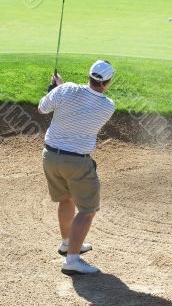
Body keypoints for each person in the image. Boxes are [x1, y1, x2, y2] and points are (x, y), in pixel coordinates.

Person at [38, 60, 115, 275]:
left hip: (50, 156)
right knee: (87, 210)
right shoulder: (108, 106)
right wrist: (61, 90)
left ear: (89, 74)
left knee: (66, 199)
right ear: (108, 82)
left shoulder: (65, 90)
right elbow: (84, 105)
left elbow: (42, 108)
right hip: (77, 162)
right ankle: (72, 260)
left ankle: (67, 243)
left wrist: (56, 89)